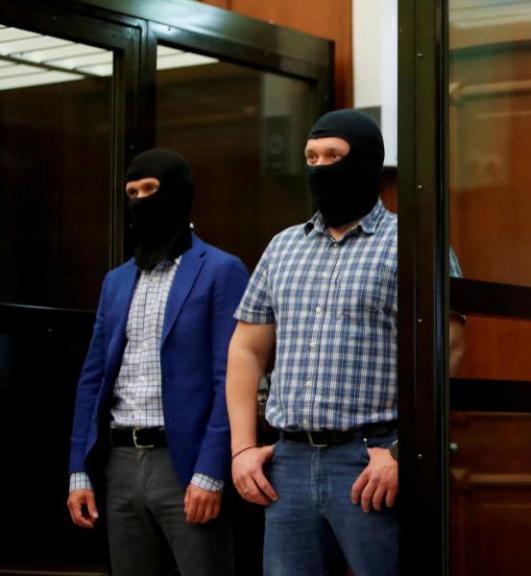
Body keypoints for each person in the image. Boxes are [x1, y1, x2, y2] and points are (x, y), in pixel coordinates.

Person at [227, 109, 465, 576]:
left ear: (369, 163)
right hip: (288, 464)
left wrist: (403, 451)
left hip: (372, 462)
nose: (320, 166)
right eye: (311, 157)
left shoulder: (413, 242)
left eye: (334, 155)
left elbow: (449, 352)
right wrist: (241, 448)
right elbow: (246, 349)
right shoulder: (282, 247)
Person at [66, 148, 249, 576]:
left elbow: (233, 378)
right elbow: (91, 381)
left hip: (184, 463)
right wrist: (79, 470)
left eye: (151, 189)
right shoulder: (116, 280)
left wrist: (210, 470)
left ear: (181, 194)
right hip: (121, 464)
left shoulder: (222, 270)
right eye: (132, 192)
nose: (141, 200)